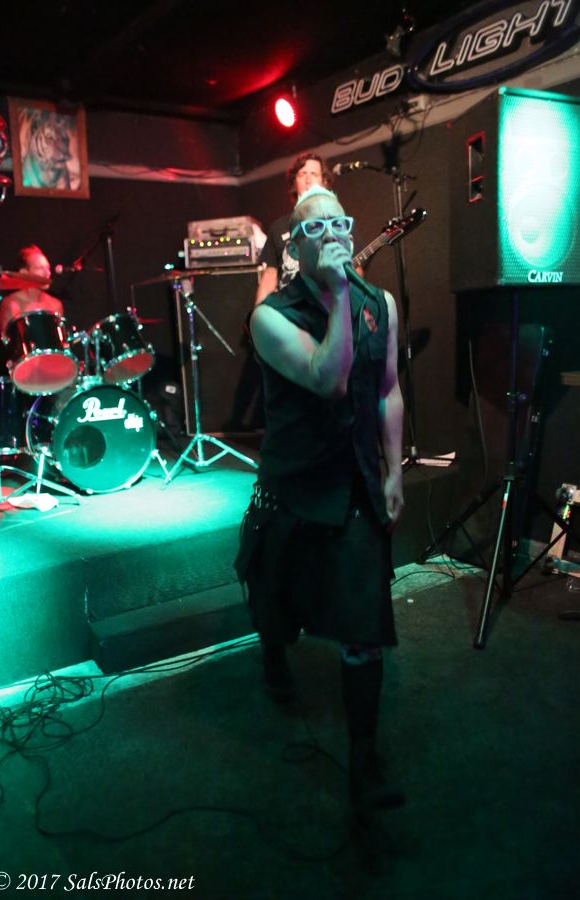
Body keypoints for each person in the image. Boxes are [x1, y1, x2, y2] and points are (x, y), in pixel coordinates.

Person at [235, 185, 405, 825]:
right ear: (294, 247)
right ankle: (273, 654)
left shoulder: (379, 304)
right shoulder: (269, 318)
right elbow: (329, 379)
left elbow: (386, 389)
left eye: (341, 222)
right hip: (293, 483)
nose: (332, 232)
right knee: (275, 601)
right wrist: (335, 297)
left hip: (354, 481)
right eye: (315, 227)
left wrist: (393, 468)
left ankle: (364, 760)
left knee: (363, 627)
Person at [254, 152, 333, 305]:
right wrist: (258, 314)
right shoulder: (278, 227)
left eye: (314, 174)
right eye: (302, 174)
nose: (308, 180)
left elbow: (355, 271)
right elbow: (269, 275)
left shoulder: (336, 224)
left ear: (324, 182)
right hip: (288, 310)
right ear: (294, 182)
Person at [0, 244, 64, 338]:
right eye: (40, 268)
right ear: (24, 273)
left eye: (48, 268)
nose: (47, 273)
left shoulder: (56, 305)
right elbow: (7, 340)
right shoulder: (11, 303)